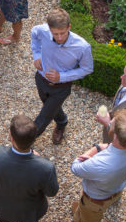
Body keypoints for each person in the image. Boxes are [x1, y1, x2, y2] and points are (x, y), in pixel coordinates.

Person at [68, 110, 126, 222]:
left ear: (115, 137)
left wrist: (97, 148)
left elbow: (75, 167)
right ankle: (79, 217)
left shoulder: (100, 164)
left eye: (112, 123)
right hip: (116, 189)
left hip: (96, 200)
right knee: (83, 209)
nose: (111, 122)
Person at [29, 8, 93, 145]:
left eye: (62, 33)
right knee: (50, 106)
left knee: (44, 117)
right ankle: (62, 121)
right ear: (49, 28)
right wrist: (36, 55)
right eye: (55, 34)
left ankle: (24, 141)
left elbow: (87, 68)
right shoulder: (43, 30)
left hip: (61, 88)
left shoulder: (82, 47)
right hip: (40, 79)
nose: (59, 38)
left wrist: (62, 77)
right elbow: (34, 33)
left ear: (69, 27)